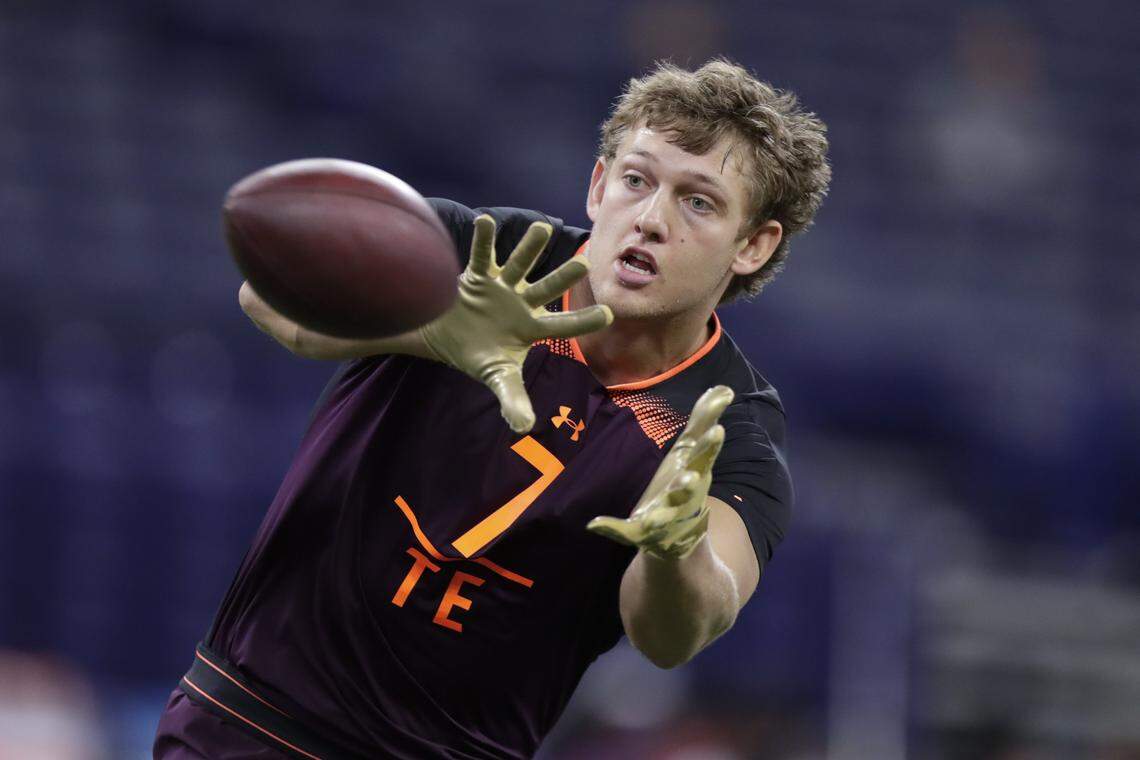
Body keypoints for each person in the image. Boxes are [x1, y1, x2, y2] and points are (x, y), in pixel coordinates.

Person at [154, 58, 831, 759]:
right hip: (255, 723)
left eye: (698, 201)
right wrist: (429, 328)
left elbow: (675, 634)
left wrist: (676, 547)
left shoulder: (723, 427)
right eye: (637, 180)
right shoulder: (488, 258)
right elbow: (267, 296)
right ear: (598, 187)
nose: (653, 219)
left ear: (753, 245)